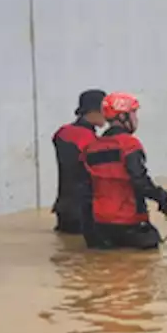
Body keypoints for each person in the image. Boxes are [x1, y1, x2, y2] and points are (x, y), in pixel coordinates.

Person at [81, 92, 167, 250]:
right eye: (133, 114)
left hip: (100, 224)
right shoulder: (129, 145)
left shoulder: (91, 147)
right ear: (123, 117)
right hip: (130, 221)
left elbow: (85, 187)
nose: (136, 119)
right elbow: (140, 180)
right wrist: (162, 197)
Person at [51, 89, 107, 234]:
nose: (107, 116)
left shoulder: (62, 133)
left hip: (63, 208)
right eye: (104, 110)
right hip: (83, 210)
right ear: (93, 111)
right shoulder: (90, 140)